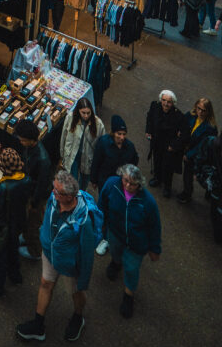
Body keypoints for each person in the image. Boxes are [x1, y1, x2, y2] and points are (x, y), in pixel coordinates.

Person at [15, 171, 103, 343]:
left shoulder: (83, 221)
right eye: (54, 188)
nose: (53, 193)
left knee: (76, 293)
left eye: (57, 191)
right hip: (50, 254)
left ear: (70, 196)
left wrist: (83, 280)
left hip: (70, 265)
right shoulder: (54, 198)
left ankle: (78, 318)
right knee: (45, 283)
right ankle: (38, 326)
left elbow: (86, 255)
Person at [99, 164, 161, 319]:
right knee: (115, 252)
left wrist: (155, 248)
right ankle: (115, 263)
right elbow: (102, 204)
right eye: (125, 180)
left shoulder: (148, 202)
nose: (127, 185)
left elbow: (154, 227)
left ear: (139, 184)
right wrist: (100, 224)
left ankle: (128, 296)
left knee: (132, 269)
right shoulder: (111, 184)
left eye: (132, 183)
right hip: (115, 233)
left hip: (136, 244)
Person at [0, 147, 32, 295]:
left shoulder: (3, 187)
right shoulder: (26, 179)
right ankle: (15, 276)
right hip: (18, 223)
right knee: (13, 250)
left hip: (3, 227)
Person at [91, 115, 139, 254]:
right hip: (105, 183)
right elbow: (96, 161)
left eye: (124, 134)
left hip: (122, 186)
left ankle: (111, 237)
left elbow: (134, 162)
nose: (122, 137)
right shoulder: (103, 143)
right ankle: (102, 236)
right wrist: (94, 179)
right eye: (119, 134)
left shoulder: (129, 147)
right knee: (104, 208)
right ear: (113, 133)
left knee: (116, 210)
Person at [15, 119, 52, 262]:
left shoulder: (43, 160)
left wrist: (34, 204)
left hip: (37, 196)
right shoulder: (31, 149)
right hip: (30, 190)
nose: (21, 142)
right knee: (26, 218)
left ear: (31, 140)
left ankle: (35, 251)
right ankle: (25, 236)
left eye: (23, 140)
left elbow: (41, 186)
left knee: (34, 223)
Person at [194, 118, 222, 245]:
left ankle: (217, 232)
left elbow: (201, 159)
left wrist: (199, 173)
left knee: (215, 203)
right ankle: (220, 237)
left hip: (215, 182)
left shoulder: (212, 143)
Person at [59, 98, 105, 191]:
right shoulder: (70, 118)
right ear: (78, 111)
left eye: (88, 113)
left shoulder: (98, 124)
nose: (86, 115)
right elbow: (63, 137)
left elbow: (102, 145)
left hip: (88, 158)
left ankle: (80, 197)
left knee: (84, 182)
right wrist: (62, 155)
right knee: (73, 181)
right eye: (83, 113)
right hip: (73, 156)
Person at [178, 97, 217, 203]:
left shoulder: (210, 127)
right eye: (198, 108)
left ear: (208, 111)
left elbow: (202, 146)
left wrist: (189, 155)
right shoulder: (191, 115)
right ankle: (188, 193)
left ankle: (191, 193)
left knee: (193, 175)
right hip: (187, 149)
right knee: (187, 174)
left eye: (203, 110)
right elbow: (181, 122)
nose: (200, 112)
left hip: (197, 155)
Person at [145, 90, 184, 197]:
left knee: (168, 166)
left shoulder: (178, 115)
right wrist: (148, 131)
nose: (166, 104)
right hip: (157, 141)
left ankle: (167, 186)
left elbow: (183, 134)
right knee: (157, 160)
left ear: (173, 103)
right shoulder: (155, 106)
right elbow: (149, 118)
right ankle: (157, 178)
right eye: (164, 100)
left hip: (168, 145)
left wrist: (174, 146)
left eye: (169, 102)